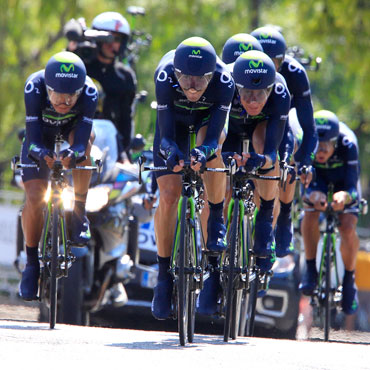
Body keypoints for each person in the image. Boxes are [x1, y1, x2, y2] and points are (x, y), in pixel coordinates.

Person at [198, 49, 291, 315]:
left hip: (263, 133)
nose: (252, 100)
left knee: (266, 154)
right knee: (215, 179)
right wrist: (219, 156)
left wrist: (261, 160)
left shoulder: (281, 92)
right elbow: (218, 131)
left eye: (260, 94)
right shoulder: (225, 83)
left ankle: (264, 219)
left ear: (271, 89)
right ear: (236, 85)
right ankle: (213, 267)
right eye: (247, 93)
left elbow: (272, 150)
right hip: (232, 129)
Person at [151, 36, 235, 319]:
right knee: (169, 195)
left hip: (205, 125)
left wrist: (203, 152)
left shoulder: (225, 82)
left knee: (213, 153)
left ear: (212, 75)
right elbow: (164, 137)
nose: (192, 86)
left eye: (201, 80)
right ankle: (163, 277)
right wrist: (171, 151)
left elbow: (213, 137)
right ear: (175, 73)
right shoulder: (164, 76)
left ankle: (215, 219)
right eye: (185, 78)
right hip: (172, 126)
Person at [19, 51, 98, 300]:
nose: (63, 102)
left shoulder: (90, 92)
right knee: (33, 196)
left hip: (73, 132)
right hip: (40, 134)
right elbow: (31, 140)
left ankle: (79, 213)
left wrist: (73, 153)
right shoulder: (34, 87)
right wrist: (42, 153)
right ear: (47, 87)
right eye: (56, 95)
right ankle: (31, 264)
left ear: (80, 91)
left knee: (86, 150)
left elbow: (83, 136)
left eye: (70, 96)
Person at [251, 26, 317, 257]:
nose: (270, 67)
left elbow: (309, 128)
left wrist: (304, 161)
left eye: (276, 62)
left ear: (284, 60)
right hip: (248, 121)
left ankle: (285, 215)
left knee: (288, 159)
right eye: (264, 59)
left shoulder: (295, 73)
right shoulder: (242, 65)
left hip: (280, 120)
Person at [299, 110, 360, 315]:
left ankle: (349, 279)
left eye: (326, 147)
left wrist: (345, 197)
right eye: (318, 146)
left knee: (348, 225)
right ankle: (310, 269)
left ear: (335, 142)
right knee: (309, 212)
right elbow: (303, 185)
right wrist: (311, 194)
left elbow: (353, 188)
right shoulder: (305, 142)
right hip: (319, 179)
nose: (321, 152)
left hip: (344, 181)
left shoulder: (348, 144)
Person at [65, 11, 137, 160]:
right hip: (73, 134)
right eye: (107, 37)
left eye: (117, 39)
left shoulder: (125, 76)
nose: (112, 43)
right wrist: (71, 49)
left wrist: (126, 153)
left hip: (110, 143)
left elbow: (125, 120)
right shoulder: (80, 65)